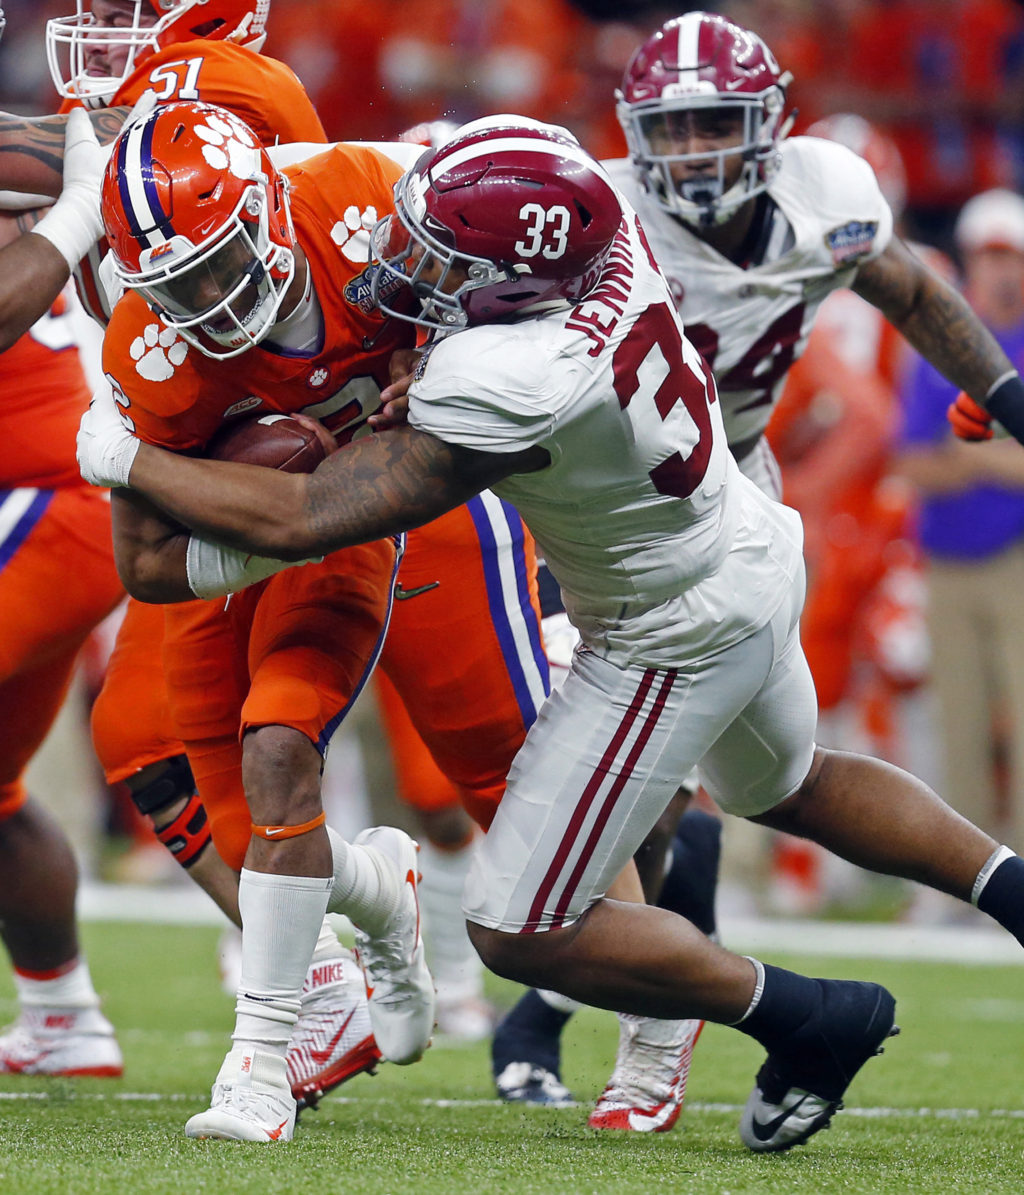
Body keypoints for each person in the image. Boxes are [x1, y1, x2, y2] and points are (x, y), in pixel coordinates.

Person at [80, 108, 1024, 1156]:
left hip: (667, 625)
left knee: (514, 925)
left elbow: (305, 518)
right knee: (788, 782)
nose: (410, 274)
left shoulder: (503, 380)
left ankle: (807, 1016)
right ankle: (1010, 886)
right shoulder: (604, 237)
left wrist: (129, 459)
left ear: (512, 292)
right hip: (743, 541)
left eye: (445, 264)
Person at [491, 8, 1024, 1130]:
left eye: (711, 127)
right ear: (635, 135)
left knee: (629, 779)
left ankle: (646, 1036)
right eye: (668, 131)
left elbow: (912, 290)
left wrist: (1003, 388)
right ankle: (1000, 893)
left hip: (714, 499)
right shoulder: (593, 214)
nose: (688, 153)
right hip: (608, 503)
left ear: (768, 126)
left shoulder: (823, 197)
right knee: (762, 781)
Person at [0, 0, 389, 1113]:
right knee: (135, 739)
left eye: (125, 10)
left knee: (456, 759)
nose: (93, 27)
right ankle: (322, 949)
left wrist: (78, 210)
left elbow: (270, 276)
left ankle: (341, 973)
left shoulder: (226, 104)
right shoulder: (97, 121)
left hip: (234, 451)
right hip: (149, 451)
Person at [0, 2, 126, 1085]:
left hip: (48, 497)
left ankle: (315, 970)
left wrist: (78, 207)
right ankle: (63, 1017)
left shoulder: (24, 148)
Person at [898, 188, 1024, 859]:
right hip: (945, 557)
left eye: (1013, 257)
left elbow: (944, 452)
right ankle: (971, 869)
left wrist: (966, 455)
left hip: (1016, 558)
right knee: (959, 719)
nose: (1002, 271)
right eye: (990, 256)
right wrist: (998, 457)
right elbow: (913, 462)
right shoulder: (939, 346)